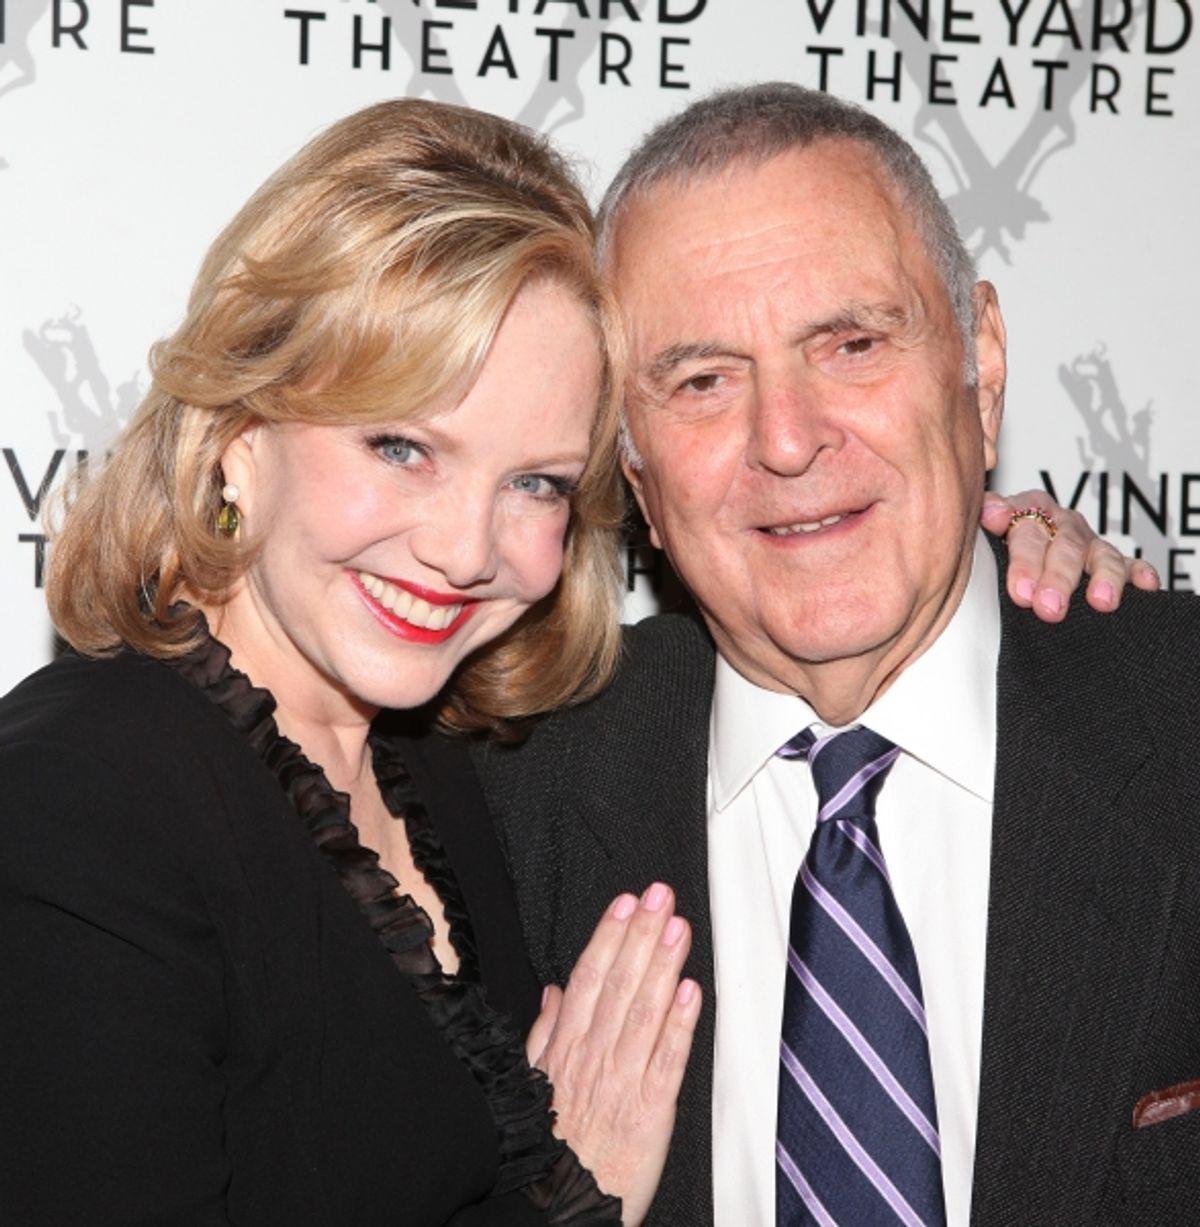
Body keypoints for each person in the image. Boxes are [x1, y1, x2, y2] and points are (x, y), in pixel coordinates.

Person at [476, 83, 1199, 1227]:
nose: (788, 438)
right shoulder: (494, 817)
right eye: (704, 380)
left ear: (985, 362)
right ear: (633, 467)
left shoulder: (1177, 722)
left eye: (853, 344)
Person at [0, 98, 702, 1226]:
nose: (467, 551)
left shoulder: (444, 772)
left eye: (535, 482)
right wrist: (585, 1199)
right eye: (403, 446)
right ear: (239, 433)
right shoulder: (79, 800)